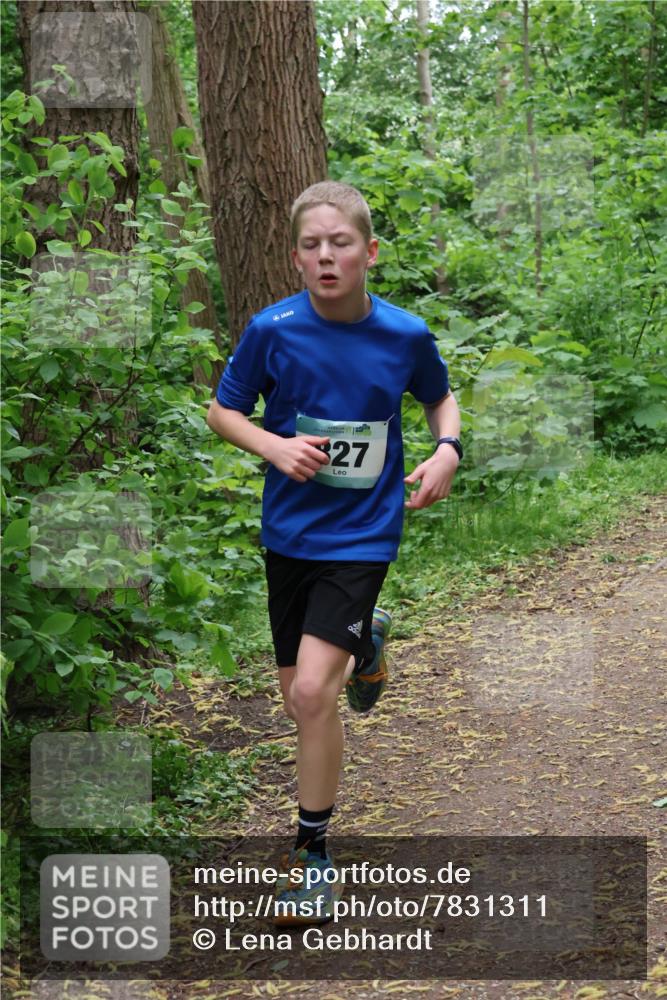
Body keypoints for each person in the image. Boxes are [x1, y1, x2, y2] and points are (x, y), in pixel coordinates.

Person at [206, 181, 461, 924]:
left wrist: (446, 448)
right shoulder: (272, 329)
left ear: (368, 252)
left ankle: (311, 858)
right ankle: (367, 641)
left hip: (362, 533)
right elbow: (224, 410)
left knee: (314, 693)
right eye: (312, 246)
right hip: (289, 533)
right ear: (295, 258)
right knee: (299, 699)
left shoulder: (404, 334)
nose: (326, 256)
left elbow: (438, 398)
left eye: (340, 243)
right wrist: (273, 444)